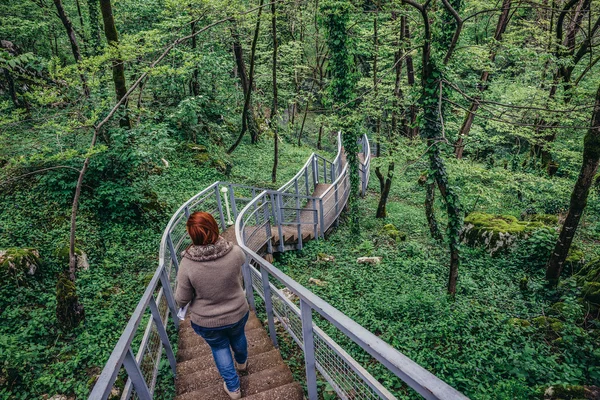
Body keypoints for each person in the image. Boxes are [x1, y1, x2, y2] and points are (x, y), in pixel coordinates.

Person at [175, 211, 249, 400]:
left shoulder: (187, 264)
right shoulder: (234, 252)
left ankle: (233, 389)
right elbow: (241, 264)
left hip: (208, 321)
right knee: (238, 335)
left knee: (219, 348)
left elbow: (181, 299)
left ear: (192, 235)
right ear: (214, 228)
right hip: (238, 311)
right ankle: (242, 363)